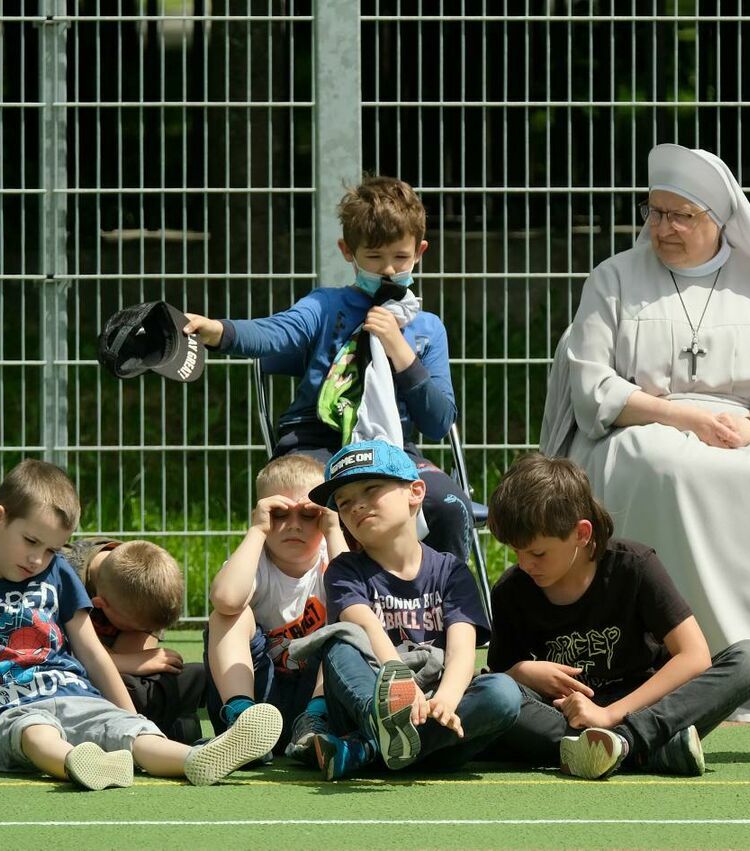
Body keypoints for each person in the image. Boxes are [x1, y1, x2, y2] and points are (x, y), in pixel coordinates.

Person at [541, 143, 750, 721]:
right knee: (665, 467)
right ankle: (664, 657)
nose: (664, 228)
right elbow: (593, 388)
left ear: (718, 221)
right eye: (655, 212)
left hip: (746, 430)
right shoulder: (614, 279)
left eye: (682, 215)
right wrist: (686, 417)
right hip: (640, 428)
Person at [182, 175, 473, 563]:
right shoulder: (326, 306)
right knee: (313, 501)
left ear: (419, 251)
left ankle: (441, 607)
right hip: (314, 443)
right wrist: (218, 331)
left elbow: (438, 423)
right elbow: (275, 333)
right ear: (347, 252)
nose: (388, 270)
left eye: (400, 258)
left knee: (451, 505)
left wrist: (400, 351)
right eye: (374, 257)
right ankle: (313, 613)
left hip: (392, 449)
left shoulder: (427, 328)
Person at [0, 460, 281, 789]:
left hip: (74, 692)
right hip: (9, 706)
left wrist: (132, 718)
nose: (37, 559)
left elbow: (93, 653)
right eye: (30, 541)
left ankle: (196, 759)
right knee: (35, 731)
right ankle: (78, 763)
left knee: (129, 731)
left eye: (51, 549)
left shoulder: (56, 571)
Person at [482, 453, 750, 779]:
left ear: (581, 533)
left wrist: (609, 716)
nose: (524, 564)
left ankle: (621, 743)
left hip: (648, 708)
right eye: (514, 551)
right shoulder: (511, 590)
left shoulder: (635, 565)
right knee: (494, 694)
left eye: (537, 553)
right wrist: (523, 671)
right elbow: (498, 683)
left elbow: (694, 657)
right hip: (565, 719)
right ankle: (647, 751)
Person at [301, 440, 520, 780]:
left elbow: (463, 650)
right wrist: (399, 695)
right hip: (371, 699)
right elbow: (367, 630)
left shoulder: (451, 571)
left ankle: (366, 750)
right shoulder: (345, 570)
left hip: (433, 707)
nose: (356, 506)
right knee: (341, 643)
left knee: (503, 693)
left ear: (416, 492)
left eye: (371, 489)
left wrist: (446, 700)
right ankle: (381, 730)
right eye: (344, 503)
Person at [204, 454, 346, 761]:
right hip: (258, 695)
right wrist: (257, 532)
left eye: (308, 515)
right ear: (260, 513)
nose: (293, 525)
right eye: (279, 513)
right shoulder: (255, 561)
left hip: (317, 698)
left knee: (350, 623)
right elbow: (226, 598)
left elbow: (355, 603)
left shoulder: (330, 558)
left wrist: (334, 530)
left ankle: (315, 723)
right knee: (228, 615)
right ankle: (241, 719)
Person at [61, 537, 205, 743]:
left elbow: (132, 673)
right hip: (65, 673)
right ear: (100, 604)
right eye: (137, 628)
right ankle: (168, 716)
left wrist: (134, 663)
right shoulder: (63, 577)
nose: (149, 633)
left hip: (109, 672)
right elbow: (63, 654)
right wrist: (133, 662)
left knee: (180, 675)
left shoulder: (145, 578)